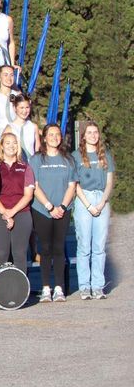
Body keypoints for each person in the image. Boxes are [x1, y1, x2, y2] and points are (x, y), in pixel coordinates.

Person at [29, 124, 77, 302]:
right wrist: (49, 206)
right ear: (44, 137)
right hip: (42, 210)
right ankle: (45, 288)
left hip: (63, 210)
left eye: (57, 134)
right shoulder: (36, 160)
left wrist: (62, 207)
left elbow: (72, 186)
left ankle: (58, 288)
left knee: (58, 249)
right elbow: (34, 186)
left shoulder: (69, 160)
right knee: (45, 249)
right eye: (51, 134)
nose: (55, 137)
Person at [73, 120, 115, 299]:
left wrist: (102, 202)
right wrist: (89, 205)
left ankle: (98, 285)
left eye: (95, 132)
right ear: (83, 136)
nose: (93, 135)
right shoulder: (76, 156)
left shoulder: (105, 155)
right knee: (84, 246)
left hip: (101, 199)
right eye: (89, 132)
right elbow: (74, 184)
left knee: (99, 246)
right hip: (84, 199)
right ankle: (84, 286)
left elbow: (110, 181)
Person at [0, 131, 34, 275]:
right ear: (1, 146)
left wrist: (12, 212)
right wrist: (5, 213)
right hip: (0, 214)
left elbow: (28, 195)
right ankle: (0, 292)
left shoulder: (26, 167)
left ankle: (20, 292)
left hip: (21, 214)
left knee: (19, 254)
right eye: (8, 143)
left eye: (15, 143)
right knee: (1, 254)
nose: (12, 146)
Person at [2, 93, 40, 159]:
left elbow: (37, 149)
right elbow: (2, 150)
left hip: (32, 165)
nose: (24, 111)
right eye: (21, 108)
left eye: (27, 107)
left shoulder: (33, 127)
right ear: (15, 108)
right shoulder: (9, 128)